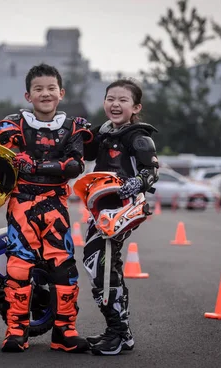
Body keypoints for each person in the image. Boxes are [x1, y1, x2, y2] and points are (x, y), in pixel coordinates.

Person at [0, 63, 92, 353]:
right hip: (21, 204)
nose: (45, 93)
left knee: (64, 268)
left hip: (55, 205)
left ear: (61, 92)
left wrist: (35, 164)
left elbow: (75, 165)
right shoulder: (14, 124)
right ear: (28, 95)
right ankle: (16, 332)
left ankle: (65, 332)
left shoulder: (74, 127)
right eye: (38, 89)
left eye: (51, 88)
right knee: (18, 267)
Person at [81, 79, 159, 355]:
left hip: (123, 209)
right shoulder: (101, 133)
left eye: (123, 100)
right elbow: (79, 152)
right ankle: (121, 333)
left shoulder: (138, 137)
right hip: (100, 207)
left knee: (98, 265)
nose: (115, 104)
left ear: (136, 107)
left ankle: (117, 332)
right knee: (103, 266)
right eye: (110, 98)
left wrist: (136, 183)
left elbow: (152, 172)